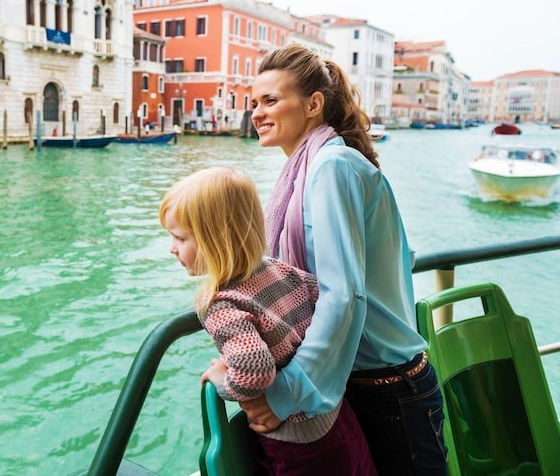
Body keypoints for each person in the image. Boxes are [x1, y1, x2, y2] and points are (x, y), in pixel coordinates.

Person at [239, 43, 448, 475]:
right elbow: (395, 259)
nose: (256, 113)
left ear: (313, 104)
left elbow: (343, 295)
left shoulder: (330, 168)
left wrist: (286, 394)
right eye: (253, 102)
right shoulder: (317, 166)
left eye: (271, 100)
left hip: (389, 391)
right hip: (373, 383)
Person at [159, 166, 377, 475]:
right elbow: (318, 296)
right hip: (336, 415)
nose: (172, 248)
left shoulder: (220, 304)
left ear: (215, 240)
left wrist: (222, 381)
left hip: (299, 445)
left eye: (180, 238)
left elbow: (253, 370)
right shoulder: (277, 269)